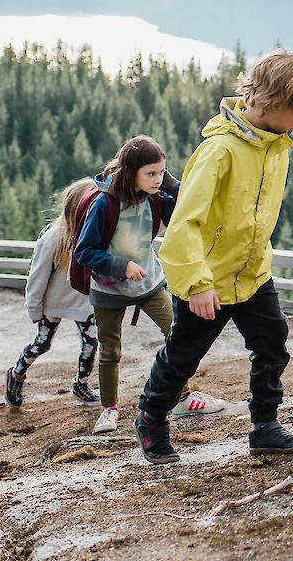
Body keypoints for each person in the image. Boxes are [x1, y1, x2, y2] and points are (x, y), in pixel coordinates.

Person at [135, 48, 293, 464]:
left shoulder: (276, 147)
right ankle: (151, 418)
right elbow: (184, 223)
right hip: (207, 281)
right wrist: (197, 283)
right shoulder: (219, 150)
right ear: (273, 99)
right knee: (184, 355)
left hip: (253, 274)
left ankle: (264, 425)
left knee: (272, 344)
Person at [73, 135, 226, 434]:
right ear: (132, 173)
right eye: (151, 174)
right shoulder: (104, 204)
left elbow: (187, 208)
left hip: (149, 283)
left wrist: (169, 182)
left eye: (161, 172)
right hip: (108, 289)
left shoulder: (156, 198)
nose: (157, 180)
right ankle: (108, 411)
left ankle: (181, 397)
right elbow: (84, 250)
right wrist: (121, 265)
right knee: (110, 351)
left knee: (178, 334)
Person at [5, 178, 100, 408]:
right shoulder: (53, 237)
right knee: (42, 343)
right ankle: (16, 374)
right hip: (53, 303)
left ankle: (81, 384)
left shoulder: (94, 232)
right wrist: (34, 308)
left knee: (91, 343)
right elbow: (37, 276)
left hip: (82, 302)